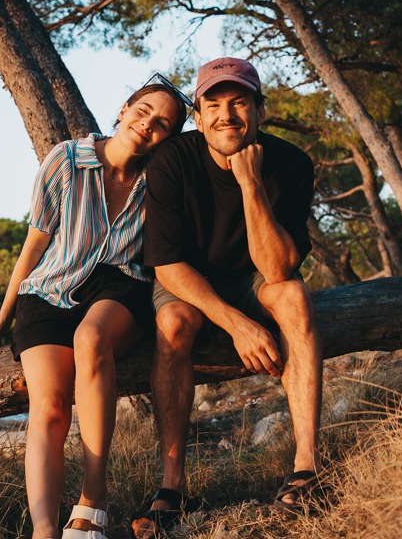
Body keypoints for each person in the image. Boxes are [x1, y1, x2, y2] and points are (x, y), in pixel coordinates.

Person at [0, 75, 191, 539]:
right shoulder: (66, 160)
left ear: (168, 139)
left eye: (163, 125)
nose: (148, 125)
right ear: (122, 109)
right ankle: (45, 530)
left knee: (90, 339)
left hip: (119, 287)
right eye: (143, 111)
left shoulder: (160, 179)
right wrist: (2, 314)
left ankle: (94, 498)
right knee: (49, 407)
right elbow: (34, 244)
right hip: (50, 290)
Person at [131, 57, 322, 537]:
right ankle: (172, 488)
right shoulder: (172, 160)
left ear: (260, 110)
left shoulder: (292, 164)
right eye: (213, 104)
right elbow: (167, 264)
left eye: (239, 103)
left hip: (254, 276)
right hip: (189, 280)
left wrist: (250, 183)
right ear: (198, 116)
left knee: (294, 298)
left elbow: (278, 267)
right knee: (174, 324)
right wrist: (239, 324)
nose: (226, 115)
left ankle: (305, 469)